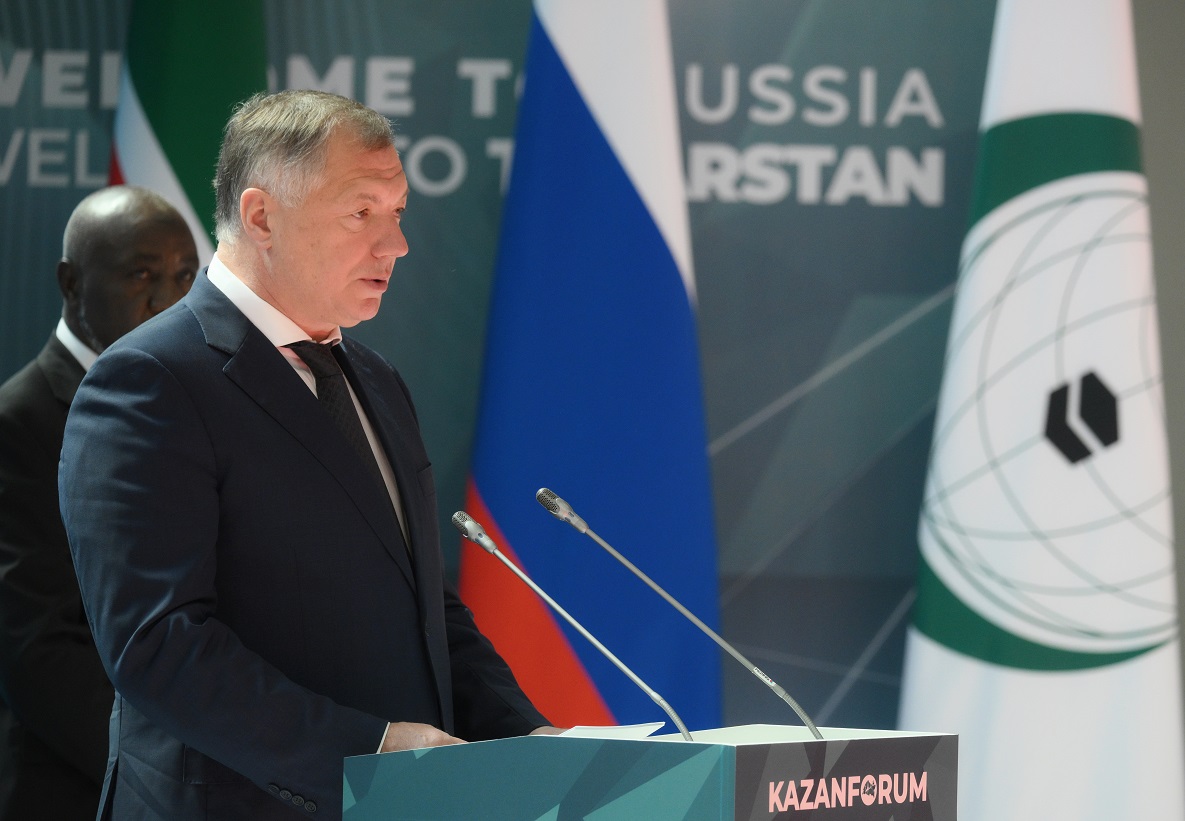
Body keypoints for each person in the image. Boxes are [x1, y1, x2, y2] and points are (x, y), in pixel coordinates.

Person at [59, 90, 551, 821]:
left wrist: (529, 737)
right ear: (261, 216)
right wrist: (367, 748)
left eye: (398, 211)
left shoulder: (377, 380)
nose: (396, 244)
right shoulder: (149, 381)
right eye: (362, 212)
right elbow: (158, 645)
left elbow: (421, 608)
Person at [0, 185, 199, 820]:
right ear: (71, 283)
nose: (169, 300)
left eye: (185, 276)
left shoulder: (200, 409)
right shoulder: (18, 424)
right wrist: (166, 777)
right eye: (142, 274)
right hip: (80, 790)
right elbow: (37, 651)